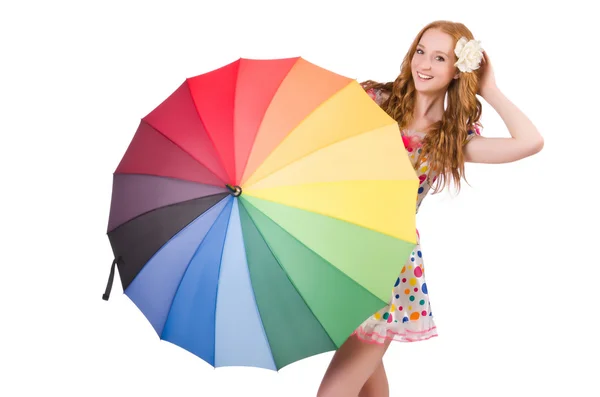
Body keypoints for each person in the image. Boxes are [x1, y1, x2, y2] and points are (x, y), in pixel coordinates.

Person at [316, 20, 544, 397]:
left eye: (440, 58)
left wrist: (491, 90)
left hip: (387, 265)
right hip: (342, 255)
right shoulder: (372, 100)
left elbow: (531, 142)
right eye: (421, 51)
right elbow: (313, 130)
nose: (424, 63)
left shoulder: (452, 138)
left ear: (459, 70)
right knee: (368, 386)